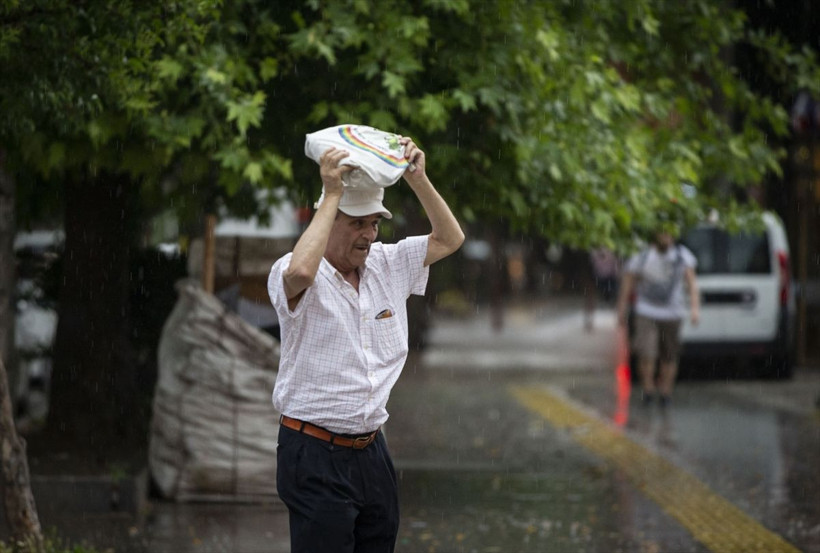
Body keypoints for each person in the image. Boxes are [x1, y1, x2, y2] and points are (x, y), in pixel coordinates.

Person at [267, 136, 464, 553]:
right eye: (357, 222)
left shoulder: (387, 263)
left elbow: (450, 238)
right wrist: (332, 194)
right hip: (313, 453)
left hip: (372, 450)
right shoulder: (295, 268)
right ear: (330, 219)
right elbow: (302, 271)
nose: (369, 234)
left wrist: (419, 180)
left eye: (374, 222)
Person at [616, 230, 699, 406]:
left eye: (669, 234)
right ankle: (648, 390)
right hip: (646, 311)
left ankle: (666, 393)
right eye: (662, 233)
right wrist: (622, 309)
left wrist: (694, 308)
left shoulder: (682, 255)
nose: (666, 237)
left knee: (669, 355)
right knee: (646, 353)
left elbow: (692, 283)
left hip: (672, 313)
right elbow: (628, 281)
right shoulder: (642, 254)